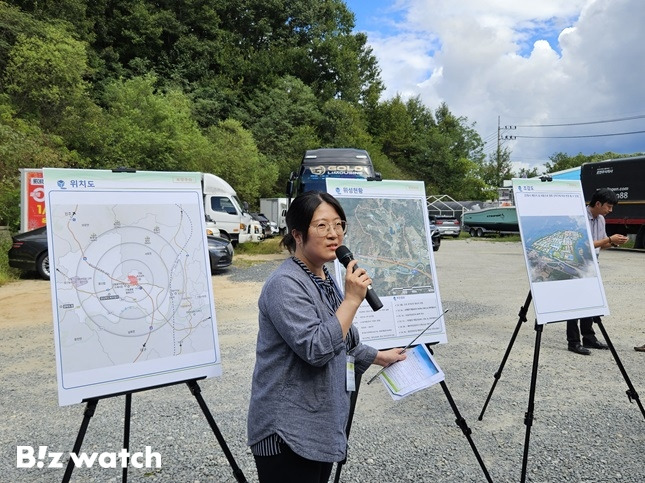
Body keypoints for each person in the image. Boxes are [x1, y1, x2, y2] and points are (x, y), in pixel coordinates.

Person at [247, 191, 406, 483]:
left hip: (318, 426)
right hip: (286, 432)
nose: (334, 234)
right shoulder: (284, 285)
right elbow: (317, 348)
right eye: (321, 226)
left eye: (338, 224)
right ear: (297, 234)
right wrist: (351, 301)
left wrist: (380, 357)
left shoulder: (323, 276)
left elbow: (340, 341)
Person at [567, 188, 628, 355]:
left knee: (589, 301)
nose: (610, 210)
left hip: (592, 264)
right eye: (608, 206)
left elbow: (601, 244)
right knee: (574, 303)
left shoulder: (600, 219)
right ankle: (573, 341)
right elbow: (583, 245)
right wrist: (609, 239)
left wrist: (616, 242)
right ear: (598, 203)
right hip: (577, 264)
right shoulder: (579, 217)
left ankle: (589, 337)